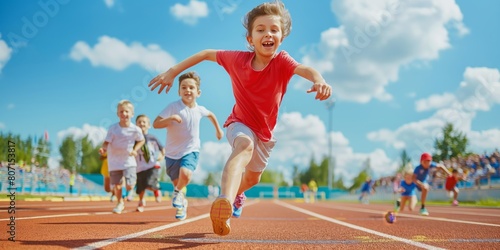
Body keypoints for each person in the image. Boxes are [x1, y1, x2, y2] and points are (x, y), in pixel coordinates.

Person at [149, 1, 332, 236]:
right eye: (261, 29)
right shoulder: (237, 60)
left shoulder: (282, 61)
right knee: (244, 146)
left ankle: (236, 194)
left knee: (253, 178)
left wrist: (319, 80)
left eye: (274, 30)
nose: (268, 34)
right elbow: (206, 54)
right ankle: (224, 202)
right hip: (239, 123)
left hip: (265, 133)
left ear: (281, 37)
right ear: (250, 39)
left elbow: (305, 69)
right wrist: (173, 71)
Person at [152, 71, 224, 221]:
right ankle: (182, 203)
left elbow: (211, 115)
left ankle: (178, 193)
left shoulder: (200, 109)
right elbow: (156, 124)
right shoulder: (173, 107)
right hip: (172, 154)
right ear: (179, 91)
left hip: (191, 150)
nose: (187, 90)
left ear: (198, 92)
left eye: (191, 87)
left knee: (186, 175)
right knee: (178, 184)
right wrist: (170, 119)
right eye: (184, 87)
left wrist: (218, 130)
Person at [99, 100, 145, 214]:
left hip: (128, 161)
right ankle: (120, 203)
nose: (124, 113)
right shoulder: (113, 128)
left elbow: (142, 140)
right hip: (114, 161)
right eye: (121, 111)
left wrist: (135, 150)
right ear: (117, 114)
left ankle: (130, 190)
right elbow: (106, 142)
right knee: (117, 185)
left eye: (126, 111)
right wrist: (103, 148)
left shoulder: (135, 129)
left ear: (132, 114)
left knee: (130, 185)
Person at [134, 114, 165, 212]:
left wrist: (162, 155)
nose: (141, 124)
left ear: (148, 125)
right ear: (136, 125)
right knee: (141, 186)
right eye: (139, 122)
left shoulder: (153, 138)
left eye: (144, 122)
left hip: (152, 165)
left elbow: (162, 148)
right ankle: (141, 201)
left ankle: (156, 189)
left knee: (149, 183)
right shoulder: (134, 139)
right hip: (139, 166)